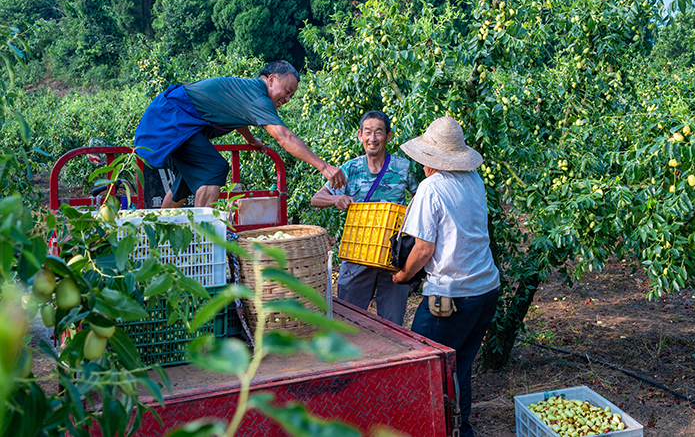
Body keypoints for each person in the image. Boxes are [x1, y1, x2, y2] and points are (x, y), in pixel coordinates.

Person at [391, 116, 500, 437]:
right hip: (485, 289)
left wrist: (403, 276)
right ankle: (460, 429)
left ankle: (432, 429)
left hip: (451, 295)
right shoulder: (474, 179)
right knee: (459, 365)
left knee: (425, 364)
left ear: (431, 159)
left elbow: (423, 249)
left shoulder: (432, 188)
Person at [134, 60, 345, 208]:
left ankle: (160, 233)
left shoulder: (249, 91)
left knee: (187, 181)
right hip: (170, 120)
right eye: (287, 91)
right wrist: (324, 166)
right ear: (271, 80)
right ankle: (203, 239)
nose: (287, 99)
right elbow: (284, 137)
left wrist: (250, 139)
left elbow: (237, 116)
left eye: (292, 96)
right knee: (214, 168)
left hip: (173, 120)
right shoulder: (258, 97)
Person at [310, 110, 418, 325]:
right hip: (358, 252)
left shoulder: (403, 167)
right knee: (349, 319)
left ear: (388, 136)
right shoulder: (350, 169)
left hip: (392, 255)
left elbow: (420, 198)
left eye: (378, 132)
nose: (372, 138)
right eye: (367, 132)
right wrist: (336, 199)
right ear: (360, 135)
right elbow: (317, 198)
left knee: (392, 322)